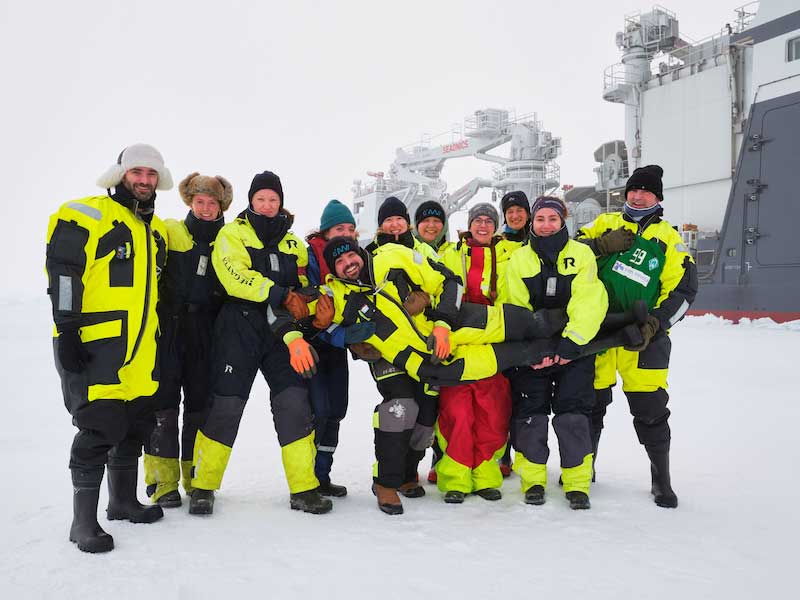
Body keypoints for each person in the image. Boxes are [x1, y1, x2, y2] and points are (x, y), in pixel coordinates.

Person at [46, 144, 171, 553]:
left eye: (151, 175)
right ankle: (82, 523)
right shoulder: (87, 214)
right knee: (98, 428)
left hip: (139, 352)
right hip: (95, 345)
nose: (144, 181)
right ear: (120, 175)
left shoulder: (151, 232)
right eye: (137, 172)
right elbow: (64, 273)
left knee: (133, 425)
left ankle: (122, 502)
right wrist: (67, 331)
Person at [188, 170, 331, 516]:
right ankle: (203, 486)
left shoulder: (294, 243)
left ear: (281, 202)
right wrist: (281, 293)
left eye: (273, 199)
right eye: (261, 199)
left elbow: (306, 286)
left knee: (295, 404)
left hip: (283, 334)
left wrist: (317, 309)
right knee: (225, 405)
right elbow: (235, 277)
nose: (267, 205)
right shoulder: (232, 234)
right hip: (239, 328)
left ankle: (304, 488)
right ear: (251, 201)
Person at [576, 165, 698, 508]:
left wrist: (655, 324)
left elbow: (683, 290)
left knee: (651, 411)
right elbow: (569, 255)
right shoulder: (603, 224)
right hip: (598, 332)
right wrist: (600, 245)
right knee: (590, 408)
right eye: (633, 190)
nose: (637, 195)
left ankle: (662, 480)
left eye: (645, 191)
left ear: (657, 197)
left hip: (644, 336)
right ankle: (585, 468)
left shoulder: (669, 239)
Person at [505, 196, 608, 509]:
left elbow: (589, 300)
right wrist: (535, 349)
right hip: (534, 354)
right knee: (530, 415)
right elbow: (514, 305)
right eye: (540, 219)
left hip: (573, 351)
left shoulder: (581, 254)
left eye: (552, 218)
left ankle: (577, 483)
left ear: (563, 221)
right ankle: (533, 480)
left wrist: (570, 344)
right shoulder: (520, 259)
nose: (546, 225)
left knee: (573, 415)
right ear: (532, 223)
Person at [143, 172, 232, 508]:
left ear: (221, 205)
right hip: (169, 329)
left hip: (206, 332)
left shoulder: (228, 239)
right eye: (199, 202)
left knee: (199, 408)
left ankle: (195, 479)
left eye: (211, 202)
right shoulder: (171, 230)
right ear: (189, 202)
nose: (206, 208)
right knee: (163, 407)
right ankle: (162, 483)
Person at [434, 203, 513, 503]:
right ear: (469, 225)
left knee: (491, 415)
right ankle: (455, 479)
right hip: (456, 346)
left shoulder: (509, 256)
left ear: (496, 226)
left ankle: (486, 478)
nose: (483, 226)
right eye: (477, 220)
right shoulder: (449, 255)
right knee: (457, 413)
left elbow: (512, 298)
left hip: (493, 348)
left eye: (488, 221)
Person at [303, 199, 360, 497]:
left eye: (350, 228)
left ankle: (322, 474)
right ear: (325, 232)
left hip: (337, 345)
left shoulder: (355, 258)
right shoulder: (311, 257)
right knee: (319, 410)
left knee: (337, 408)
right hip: (313, 343)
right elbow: (310, 301)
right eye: (339, 228)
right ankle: (306, 478)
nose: (346, 233)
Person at [496, 190, 532, 476]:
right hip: (501, 329)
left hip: (531, 330)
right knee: (502, 394)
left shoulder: (538, 244)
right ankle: (501, 453)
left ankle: (525, 454)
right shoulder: (495, 246)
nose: (515, 215)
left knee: (526, 397)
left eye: (520, 210)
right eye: (510, 212)